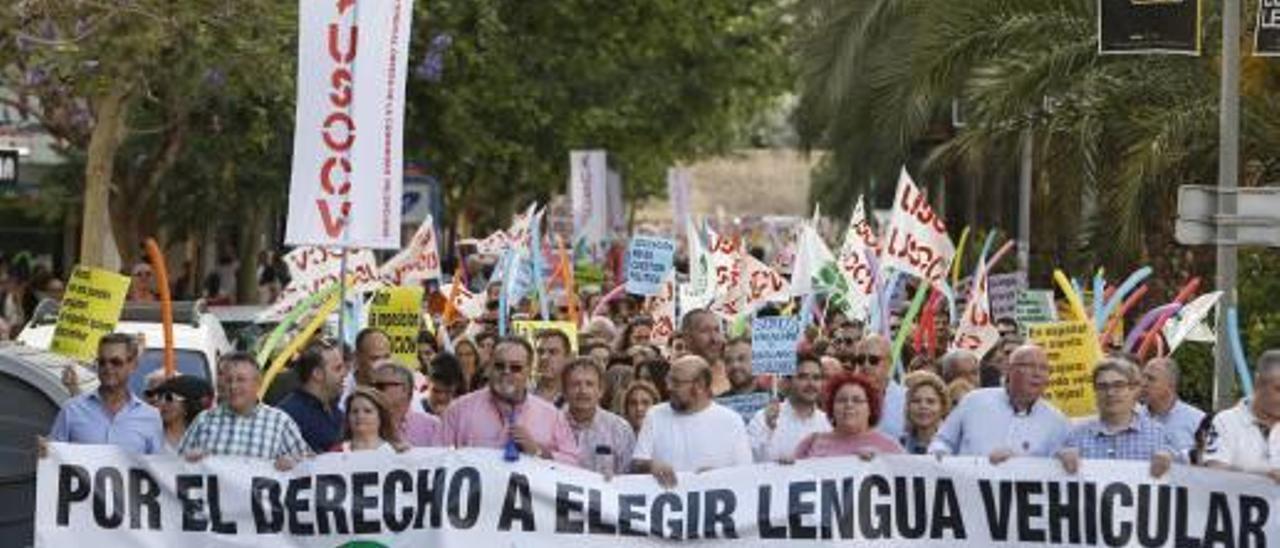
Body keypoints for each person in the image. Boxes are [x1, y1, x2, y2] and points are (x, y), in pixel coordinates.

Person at [440, 337, 579, 463]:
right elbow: (436, 458)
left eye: (515, 368)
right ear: (489, 366)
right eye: (499, 366)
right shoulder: (458, 411)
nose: (506, 372)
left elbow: (573, 463)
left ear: (529, 371)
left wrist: (538, 451)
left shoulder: (552, 416)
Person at [929, 344, 1069, 462]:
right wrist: (940, 455)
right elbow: (942, 441)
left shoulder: (1057, 421)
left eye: (1044, 368)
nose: (1037, 373)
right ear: (1009, 369)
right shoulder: (973, 402)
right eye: (1029, 366)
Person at [632, 355, 752, 488]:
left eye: (676, 382)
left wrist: (719, 477)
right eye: (669, 380)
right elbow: (637, 463)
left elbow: (745, 474)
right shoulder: (654, 415)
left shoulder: (731, 421)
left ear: (699, 385)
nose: (668, 387)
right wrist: (651, 466)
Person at [178, 353, 310, 470]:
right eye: (229, 380)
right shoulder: (204, 420)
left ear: (258, 383)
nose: (233, 386)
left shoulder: (280, 422)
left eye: (241, 380)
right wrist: (187, 460)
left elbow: (310, 464)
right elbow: (174, 466)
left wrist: (293, 462)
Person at [1056, 358, 1178, 478]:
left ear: (1134, 389)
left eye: (1119, 385)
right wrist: (1057, 462)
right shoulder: (1074, 436)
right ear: (1095, 391)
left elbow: (1183, 479)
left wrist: (1173, 463)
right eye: (1102, 386)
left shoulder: (1159, 436)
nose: (1110, 393)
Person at [46, 333, 164, 454]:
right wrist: (46, 453)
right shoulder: (71, 409)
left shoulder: (150, 417)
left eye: (116, 362)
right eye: (102, 362)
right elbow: (54, 458)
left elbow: (156, 468)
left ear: (133, 365)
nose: (107, 368)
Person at [1203, 350, 1280, 479]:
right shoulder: (1226, 421)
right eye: (1279, 389)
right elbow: (1214, 473)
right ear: (1258, 383)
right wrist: (1263, 480)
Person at [793, 373, 905, 460]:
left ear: (870, 408)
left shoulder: (890, 446)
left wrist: (882, 462)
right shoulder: (811, 442)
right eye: (842, 400)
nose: (849, 405)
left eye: (857, 400)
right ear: (832, 407)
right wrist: (784, 466)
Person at [747, 353, 830, 462]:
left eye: (816, 378)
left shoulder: (828, 422)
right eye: (803, 377)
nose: (811, 384)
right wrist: (768, 430)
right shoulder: (762, 419)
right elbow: (750, 463)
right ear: (787, 382)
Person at [561, 358, 635, 475]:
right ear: (564, 391)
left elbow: (629, 476)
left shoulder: (620, 429)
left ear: (600, 390)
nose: (583, 391)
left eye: (589, 384)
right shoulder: (551, 424)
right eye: (575, 384)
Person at [276, 341, 347, 453]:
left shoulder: (335, 409)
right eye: (338, 369)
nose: (345, 373)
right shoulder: (288, 416)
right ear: (317, 374)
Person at [1140, 357, 1205, 457]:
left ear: (1171, 385)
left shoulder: (1198, 421)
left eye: (1151, 379)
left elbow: (1209, 460)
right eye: (1143, 377)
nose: (1143, 384)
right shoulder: (1132, 419)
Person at [850, 335, 907, 439]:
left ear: (889, 363)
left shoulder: (908, 399)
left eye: (873, 360)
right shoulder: (845, 398)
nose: (866, 365)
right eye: (860, 360)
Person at [373, 362, 442, 447]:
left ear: (405, 389)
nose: (373, 390)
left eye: (380, 386)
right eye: (371, 386)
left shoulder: (432, 426)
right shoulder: (362, 423)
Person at [145, 375, 213, 454]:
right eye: (160, 397)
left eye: (169, 398)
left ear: (188, 403)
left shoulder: (205, 433)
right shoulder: (147, 433)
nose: (162, 403)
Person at [335, 387, 403, 453]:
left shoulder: (395, 452)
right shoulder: (336, 452)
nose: (360, 416)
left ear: (381, 416)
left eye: (368, 411)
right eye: (355, 411)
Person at [681, 309, 730, 395]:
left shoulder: (736, 370)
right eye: (705, 331)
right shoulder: (676, 379)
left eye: (717, 330)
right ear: (687, 338)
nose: (714, 339)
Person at [900, 371, 950, 454]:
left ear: (943, 407)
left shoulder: (954, 444)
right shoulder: (898, 444)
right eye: (916, 401)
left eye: (931, 401)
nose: (923, 406)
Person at [534, 328, 573, 403]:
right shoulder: (522, 393)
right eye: (540, 352)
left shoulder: (577, 396)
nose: (544, 357)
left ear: (568, 358)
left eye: (552, 352)